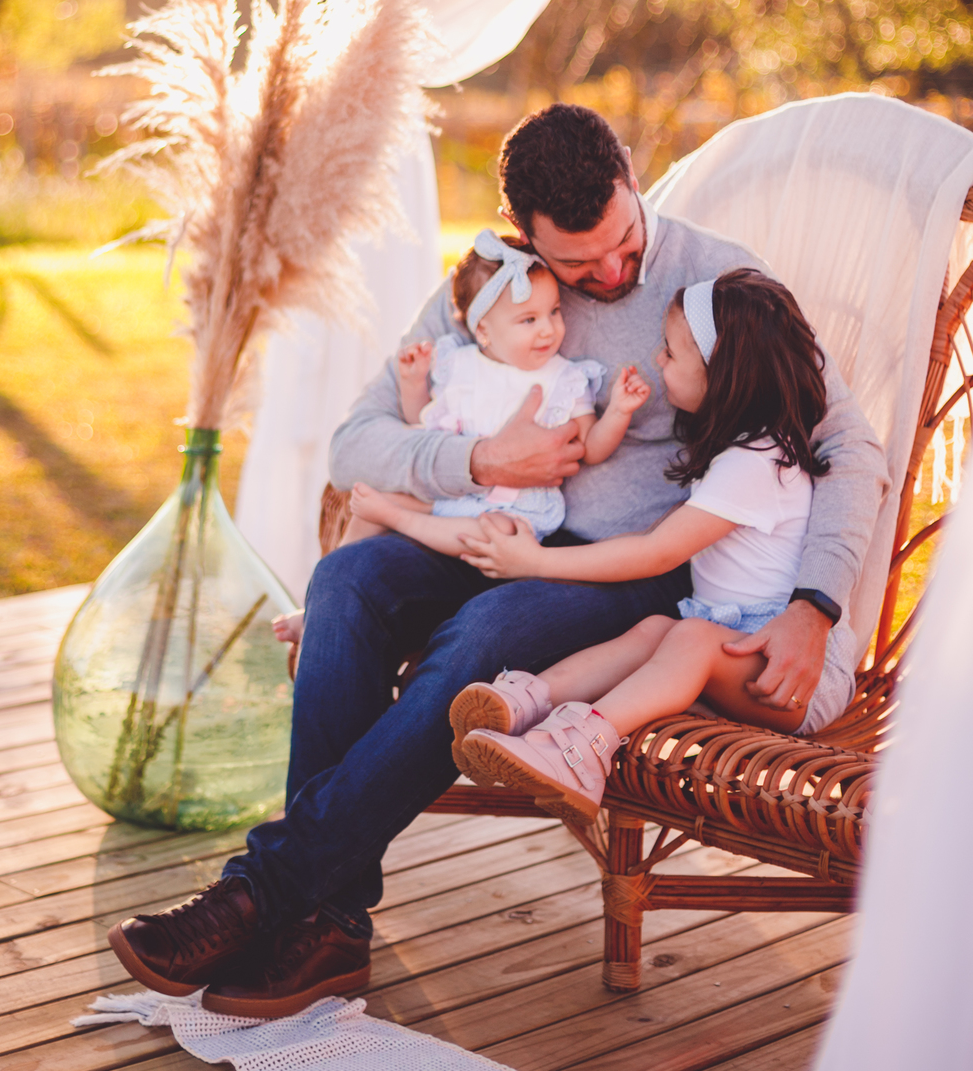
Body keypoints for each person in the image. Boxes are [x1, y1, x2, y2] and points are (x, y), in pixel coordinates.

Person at [107, 103, 887, 1022]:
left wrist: (815, 602)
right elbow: (356, 444)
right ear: (524, 237)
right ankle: (329, 924)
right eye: (577, 264)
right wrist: (479, 462)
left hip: (625, 570)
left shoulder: (713, 282)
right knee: (345, 583)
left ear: (633, 174)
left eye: (622, 242)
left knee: (483, 637)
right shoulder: (492, 281)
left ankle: (267, 896)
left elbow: (849, 448)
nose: (610, 272)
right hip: (488, 524)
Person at [450, 268, 859, 818]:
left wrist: (535, 560)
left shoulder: (756, 464)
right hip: (735, 647)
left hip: (788, 674)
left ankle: (582, 748)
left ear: (720, 374)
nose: (658, 360)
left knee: (686, 636)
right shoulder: (745, 450)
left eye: (669, 351)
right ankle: (532, 701)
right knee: (657, 631)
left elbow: (657, 552)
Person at [271, 229, 650, 644]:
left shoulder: (563, 379)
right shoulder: (460, 366)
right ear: (484, 330)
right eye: (529, 320)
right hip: (452, 492)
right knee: (366, 505)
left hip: (512, 510)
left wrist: (617, 411)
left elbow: (592, 448)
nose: (548, 330)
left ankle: (398, 520)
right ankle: (318, 610)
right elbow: (426, 423)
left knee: (486, 533)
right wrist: (414, 382)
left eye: (554, 312)